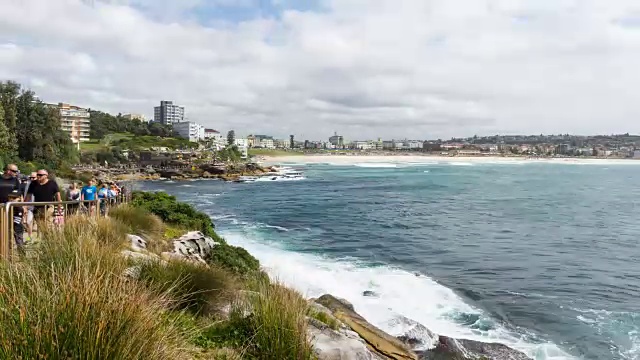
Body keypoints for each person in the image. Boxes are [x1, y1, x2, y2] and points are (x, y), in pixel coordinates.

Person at [0, 164, 25, 253]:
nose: (16, 173)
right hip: (2, 210)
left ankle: (22, 255)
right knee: (4, 232)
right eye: (15, 171)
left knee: (17, 231)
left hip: (15, 210)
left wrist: (18, 202)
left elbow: (19, 194)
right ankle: (6, 254)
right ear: (8, 170)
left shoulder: (16, 181)